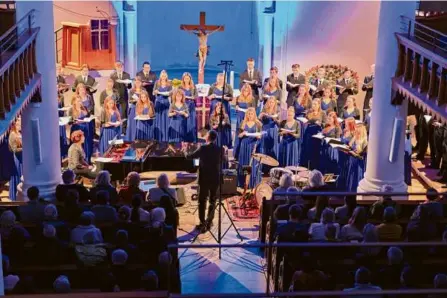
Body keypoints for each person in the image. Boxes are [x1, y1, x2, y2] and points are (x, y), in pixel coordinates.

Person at [186, 130, 225, 233]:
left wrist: (185, 150)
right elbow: (224, 160)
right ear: (215, 138)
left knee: (202, 201)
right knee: (213, 200)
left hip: (204, 178)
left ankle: (202, 222)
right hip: (215, 178)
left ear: (207, 137)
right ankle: (209, 221)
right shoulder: (219, 149)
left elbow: (190, 156)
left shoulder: (203, 148)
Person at [235, 108, 262, 188]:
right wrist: (242, 133)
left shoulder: (258, 124)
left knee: (252, 164)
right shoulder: (243, 123)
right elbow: (239, 136)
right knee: (245, 163)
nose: (250, 116)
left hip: (253, 145)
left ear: (254, 114)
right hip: (244, 145)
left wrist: (258, 136)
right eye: (249, 114)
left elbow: (260, 135)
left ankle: (251, 183)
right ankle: (244, 182)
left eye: (252, 114)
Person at [69, 95, 94, 163]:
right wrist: (77, 121)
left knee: (86, 144)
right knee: (78, 146)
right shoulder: (71, 109)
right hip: (77, 129)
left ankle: (87, 160)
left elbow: (88, 116)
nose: (80, 102)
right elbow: (70, 122)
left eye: (80, 101)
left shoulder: (84, 108)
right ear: (74, 102)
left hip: (86, 128)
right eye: (78, 101)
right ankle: (77, 161)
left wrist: (90, 118)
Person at [258, 97, 280, 173]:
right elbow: (258, 120)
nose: (271, 104)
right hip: (265, 130)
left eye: (272, 102)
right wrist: (261, 115)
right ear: (267, 103)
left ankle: (273, 168)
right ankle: (264, 168)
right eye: (270, 102)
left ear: (275, 103)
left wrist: (275, 119)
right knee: (264, 148)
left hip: (273, 131)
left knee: (272, 148)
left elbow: (280, 123)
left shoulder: (277, 111)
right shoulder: (264, 110)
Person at [234, 83, 256, 157]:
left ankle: (246, 153)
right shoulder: (238, 97)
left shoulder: (252, 99)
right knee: (239, 135)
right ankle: (237, 154)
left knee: (246, 135)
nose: (245, 92)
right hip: (240, 118)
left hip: (248, 119)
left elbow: (253, 110)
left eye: (247, 91)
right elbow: (236, 108)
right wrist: (236, 107)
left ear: (249, 91)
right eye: (244, 90)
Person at [154, 70, 173, 142]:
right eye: (162, 75)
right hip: (158, 102)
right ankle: (158, 137)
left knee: (166, 119)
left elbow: (171, 93)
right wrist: (155, 92)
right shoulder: (157, 82)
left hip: (166, 103)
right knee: (158, 119)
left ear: (166, 76)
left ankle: (166, 136)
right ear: (160, 76)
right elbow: (154, 92)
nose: (163, 76)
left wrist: (168, 93)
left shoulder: (169, 83)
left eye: (165, 75)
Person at [180, 72, 198, 143]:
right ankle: (183, 139)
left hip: (191, 106)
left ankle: (192, 139)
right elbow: (178, 96)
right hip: (183, 106)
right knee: (183, 123)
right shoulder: (180, 87)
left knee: (191, 123)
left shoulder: (193, 87)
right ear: (183, 79)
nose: (186, 79)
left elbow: (196, 96)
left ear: (190, 79)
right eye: (185, 78)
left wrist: (190, 97)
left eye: (188, 78)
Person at [126, 76, 144, 142]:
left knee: (141, 124)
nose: (137, 83)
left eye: (139, 82)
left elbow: (146, 99)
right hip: (134, 108)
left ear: (141, 82)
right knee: (133, 124)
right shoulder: (131, 91)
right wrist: (136, 100)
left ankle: (140, 138)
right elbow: (130, 100)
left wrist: (140, 100)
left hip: (141, 109)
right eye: (136, 82)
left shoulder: (143, 90)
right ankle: (133, 138)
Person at [8, 118, 22, 201]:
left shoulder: (20, 133)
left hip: (22, 159)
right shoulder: (12, 134)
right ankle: (15, 196)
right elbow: (14, 149)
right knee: (17, 175)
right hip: (17, 160)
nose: (20, 123)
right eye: (19, 121)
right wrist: (25, 148)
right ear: (15, 123)